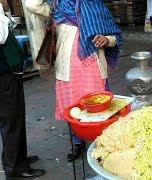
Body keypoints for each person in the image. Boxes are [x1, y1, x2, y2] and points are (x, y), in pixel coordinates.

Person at [25, 0, 123, 162]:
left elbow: (115, 36)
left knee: (100, 106)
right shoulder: (57, 6)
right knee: (72, 106)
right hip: (68, 69)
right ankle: (77, 142)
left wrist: (106, 39)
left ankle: (103, 141)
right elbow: (31, 4)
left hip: (94, 69)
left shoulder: (96, 5)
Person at [0, 4, 45, 179]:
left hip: (8, 73)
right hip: (2, 76)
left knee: (17, 117)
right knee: (10, 122)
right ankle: (15, 168)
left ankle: (21, 159)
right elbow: (1, 36)